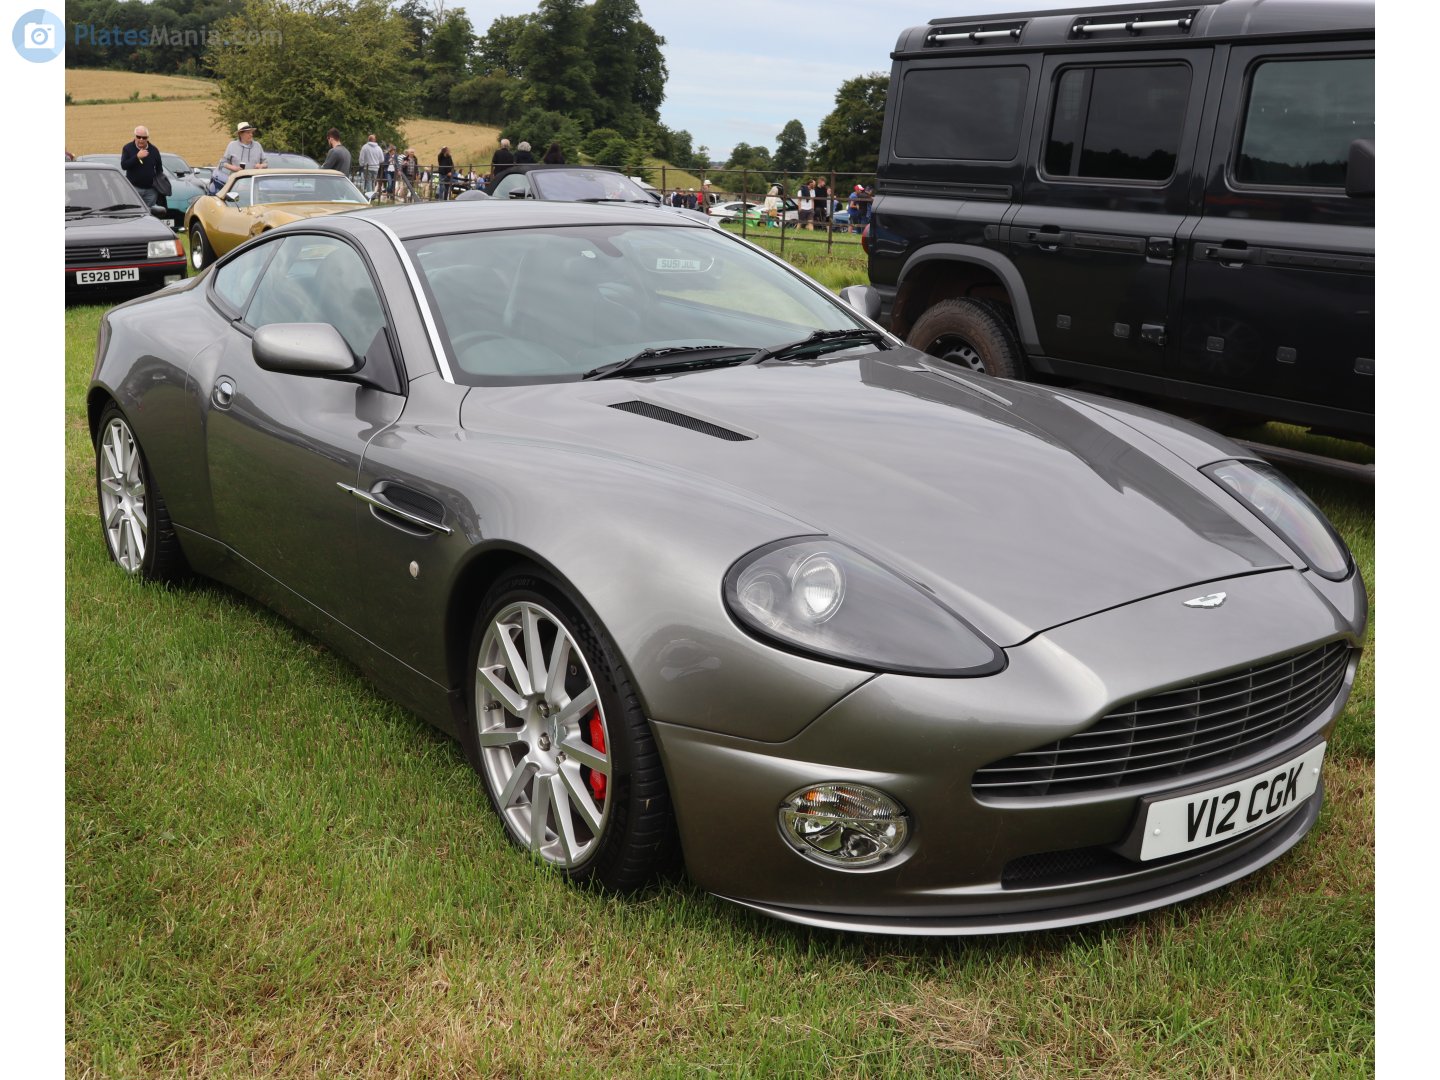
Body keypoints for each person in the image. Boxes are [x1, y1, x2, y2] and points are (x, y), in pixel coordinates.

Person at [120, 125, 164, 210]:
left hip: (151, 191)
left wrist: (158, 185)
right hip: (134, 189)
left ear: (147, 138)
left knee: (150, 214)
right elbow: (124, 165)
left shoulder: (154, 150)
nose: (141, 140)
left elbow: (159, 169)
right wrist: (137, 157)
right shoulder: (128, 148)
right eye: (138, 137)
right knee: (134, 212)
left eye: (144, 137)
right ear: (135, 137)